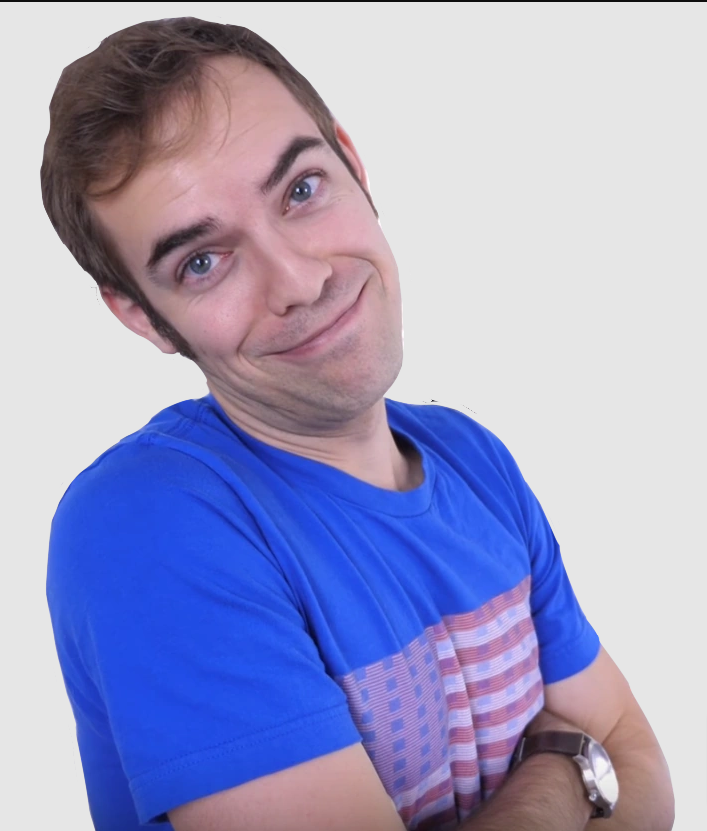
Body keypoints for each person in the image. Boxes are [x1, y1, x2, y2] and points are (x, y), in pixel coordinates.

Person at [43, 17, 674, 831]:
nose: (299, 280)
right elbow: (605, 754)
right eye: (202, 261)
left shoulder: (474, 460)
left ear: (353, 163)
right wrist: (562, 765)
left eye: (301, 190)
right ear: (142, 315)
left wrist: (595, 761)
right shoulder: (146, 525)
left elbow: (638, 756)